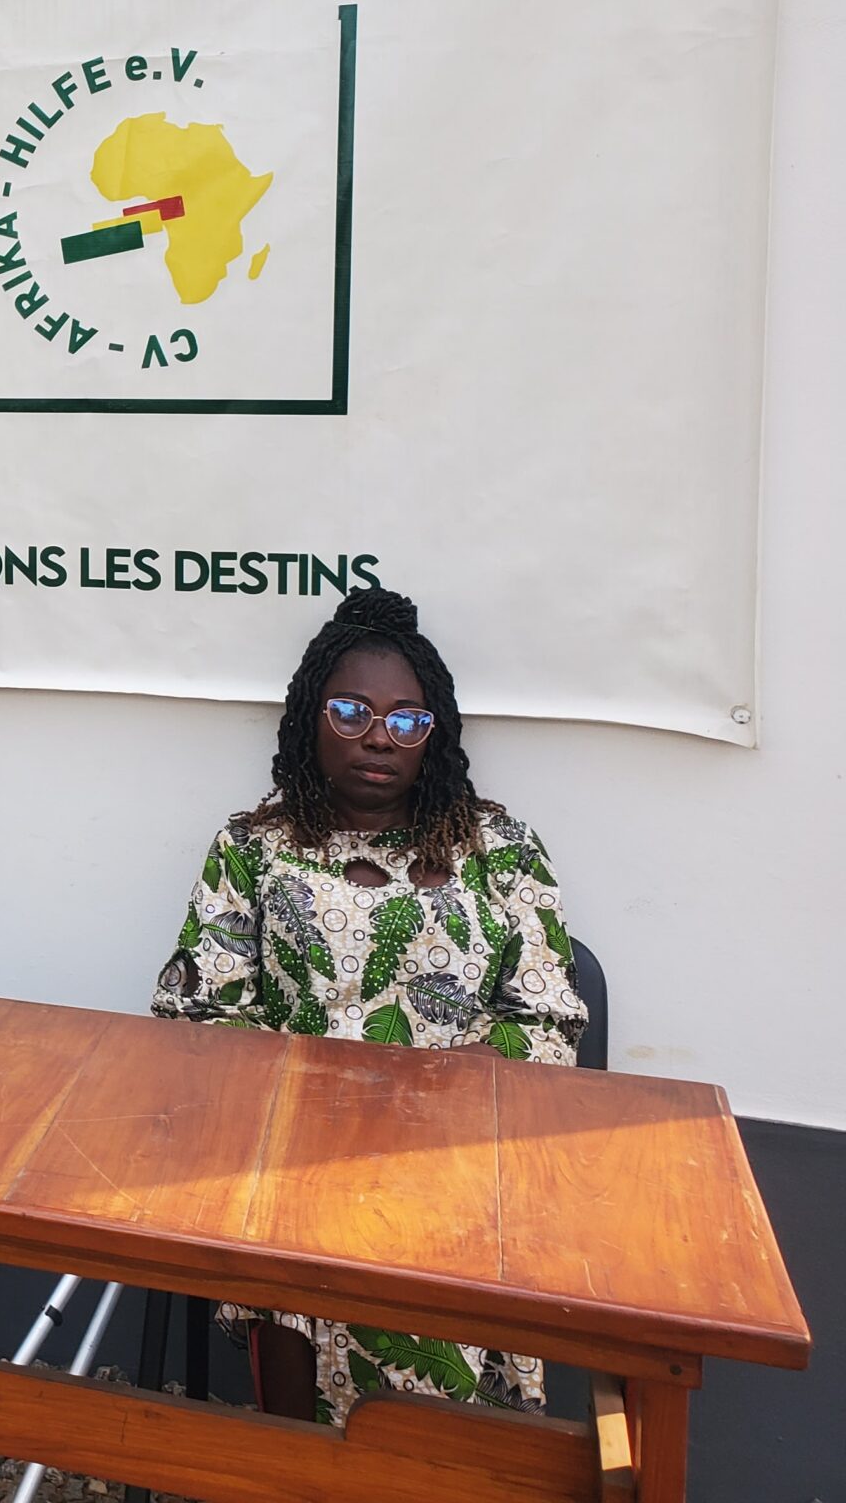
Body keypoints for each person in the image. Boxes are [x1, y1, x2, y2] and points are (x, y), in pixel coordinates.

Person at [150, 587, 585, 1426]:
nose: (379, 737)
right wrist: (315, 1102)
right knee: (288, 1254)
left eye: (406, 720)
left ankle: (441, 1468)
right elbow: (197, 1013)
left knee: (439, 1282)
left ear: (435, 734)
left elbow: (548, 1020)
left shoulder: (500, 851)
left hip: (454, 1155)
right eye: (352, 712)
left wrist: (436, 1095)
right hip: (293, 1154)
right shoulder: (253, 850)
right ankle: (301, 1462)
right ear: (310, 720)